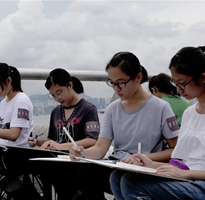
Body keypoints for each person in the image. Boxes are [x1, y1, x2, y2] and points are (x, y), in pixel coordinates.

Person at [110, 45, 205, 200]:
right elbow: (183, 164)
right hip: (187, 180)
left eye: (182, 83)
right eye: (175, 83)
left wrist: (188, 174)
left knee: (131, 183)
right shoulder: (189, 113)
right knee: (117, 177)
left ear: (203, 78)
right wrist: (152, 165)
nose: (178, 90)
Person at [69, 51, 179, 200]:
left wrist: (144, 158)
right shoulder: (112, 109)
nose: (116, 88)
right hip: (118, 164)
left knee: (123, 178)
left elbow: (176, 150)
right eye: (112, 83)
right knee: (84, 173)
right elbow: (100, 148)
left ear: (138, 77)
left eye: (121, 83)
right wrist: (81, 153)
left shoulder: (161, 108)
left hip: (143, 168)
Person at [28, 68, 100, 200]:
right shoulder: (56, 111)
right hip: (59, 161)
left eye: (59, 92)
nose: (57, 98)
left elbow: (92, 140)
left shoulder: (88, 109)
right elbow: (53, 139)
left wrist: (61, 146)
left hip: (78, 160)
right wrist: (38, 142)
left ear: (70, 85)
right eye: (53, 95)